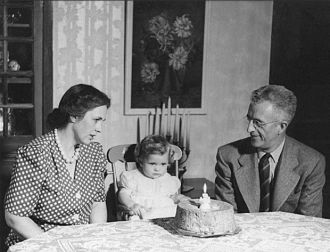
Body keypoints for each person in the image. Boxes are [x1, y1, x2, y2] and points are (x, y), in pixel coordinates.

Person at [4, 84, 111, 247]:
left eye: (102, 121)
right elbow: (15, 217)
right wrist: (56, 247)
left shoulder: (93, 152)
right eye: (96, 120)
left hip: (79, 243)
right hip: (39, 242)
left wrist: (94, 241)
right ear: (74, 116)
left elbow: (97, 203)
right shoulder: (37, 153)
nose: (99, 129)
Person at [215, 85, 325, 217]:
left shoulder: (311, 162)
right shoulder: (228, 156)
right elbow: (226, 218)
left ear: (281, 127)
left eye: (258, 123)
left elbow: (309, 223)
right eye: (249, 119)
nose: (249, 129)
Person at [118, 135, 181, 219]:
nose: (157, 169)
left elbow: (174, 198)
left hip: (166, 215)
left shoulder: (168, 179)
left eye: (163, 164)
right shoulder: (133, 177)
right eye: (152, 164)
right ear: (141, 161)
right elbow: (123, 194)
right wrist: (132, 205)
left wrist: (176, 200)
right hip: (142, 213)